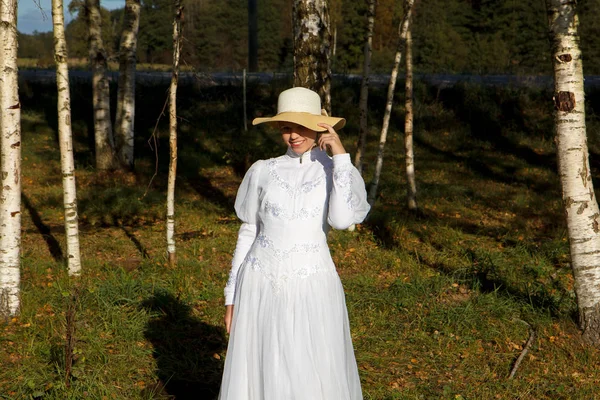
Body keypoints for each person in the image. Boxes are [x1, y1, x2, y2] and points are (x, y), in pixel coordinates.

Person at [218, 87, 370, 400]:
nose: (293, 136)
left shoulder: (336, 172)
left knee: (307, 368)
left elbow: (342, 221)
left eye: (301, 127)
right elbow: (249, 230)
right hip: (260, 283)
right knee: (262, 365)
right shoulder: (263, 170)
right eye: (286, 127)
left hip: (311, 285)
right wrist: (232, 296)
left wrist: (340, 156)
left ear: (319, 127)